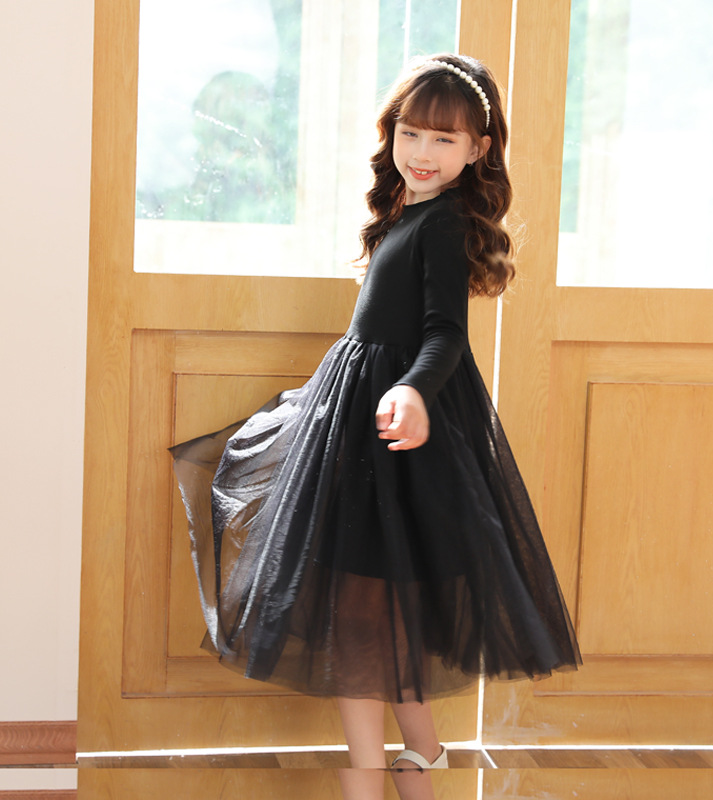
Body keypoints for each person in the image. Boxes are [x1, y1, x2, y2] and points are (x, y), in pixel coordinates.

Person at [171, 54, 581, 800]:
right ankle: (421, 750)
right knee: (372, 609)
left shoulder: (444, 224)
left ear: (478, 149)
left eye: (444, 140)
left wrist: (415, 390)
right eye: (411, 134)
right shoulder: (409, 215)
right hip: (359, 418)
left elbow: (445, 334)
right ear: (391, 134)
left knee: (357, 619)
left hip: (395, 429)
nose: (422, 153)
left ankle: (372, 780)